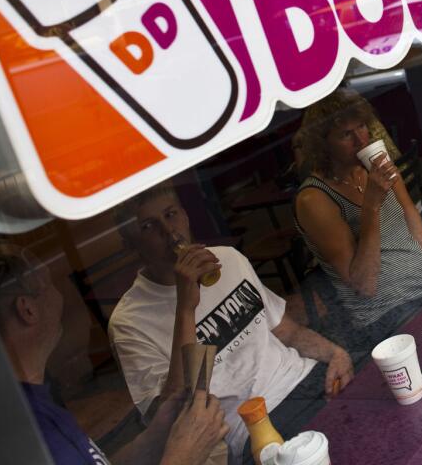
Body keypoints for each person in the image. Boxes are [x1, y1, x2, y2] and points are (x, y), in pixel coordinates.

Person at [109, 185, 354, 463]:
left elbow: (286, 331)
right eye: (149, 226)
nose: (169, 232)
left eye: (171, 214)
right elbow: (175, 412)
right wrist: (185, 308)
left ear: (186, 215)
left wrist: (335, 353)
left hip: (307, 379)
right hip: (258, 425)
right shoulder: (130, 322)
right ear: (131, 244)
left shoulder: (227, 258)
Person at [0, 241, 228, 465]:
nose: (61, 295)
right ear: (28, 310)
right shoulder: (23, 432)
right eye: (49, 284)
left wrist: (156, 437)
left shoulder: (32, 402)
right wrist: (184, 456)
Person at [293, 89, 422, 354]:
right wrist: (371, 205)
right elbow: (364, 284)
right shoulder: (314, 200)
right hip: (388, 313)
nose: (361, 140)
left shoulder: (375, 169)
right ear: (323, 146)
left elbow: (421, 235)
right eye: (346, 134)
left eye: (362, 126)